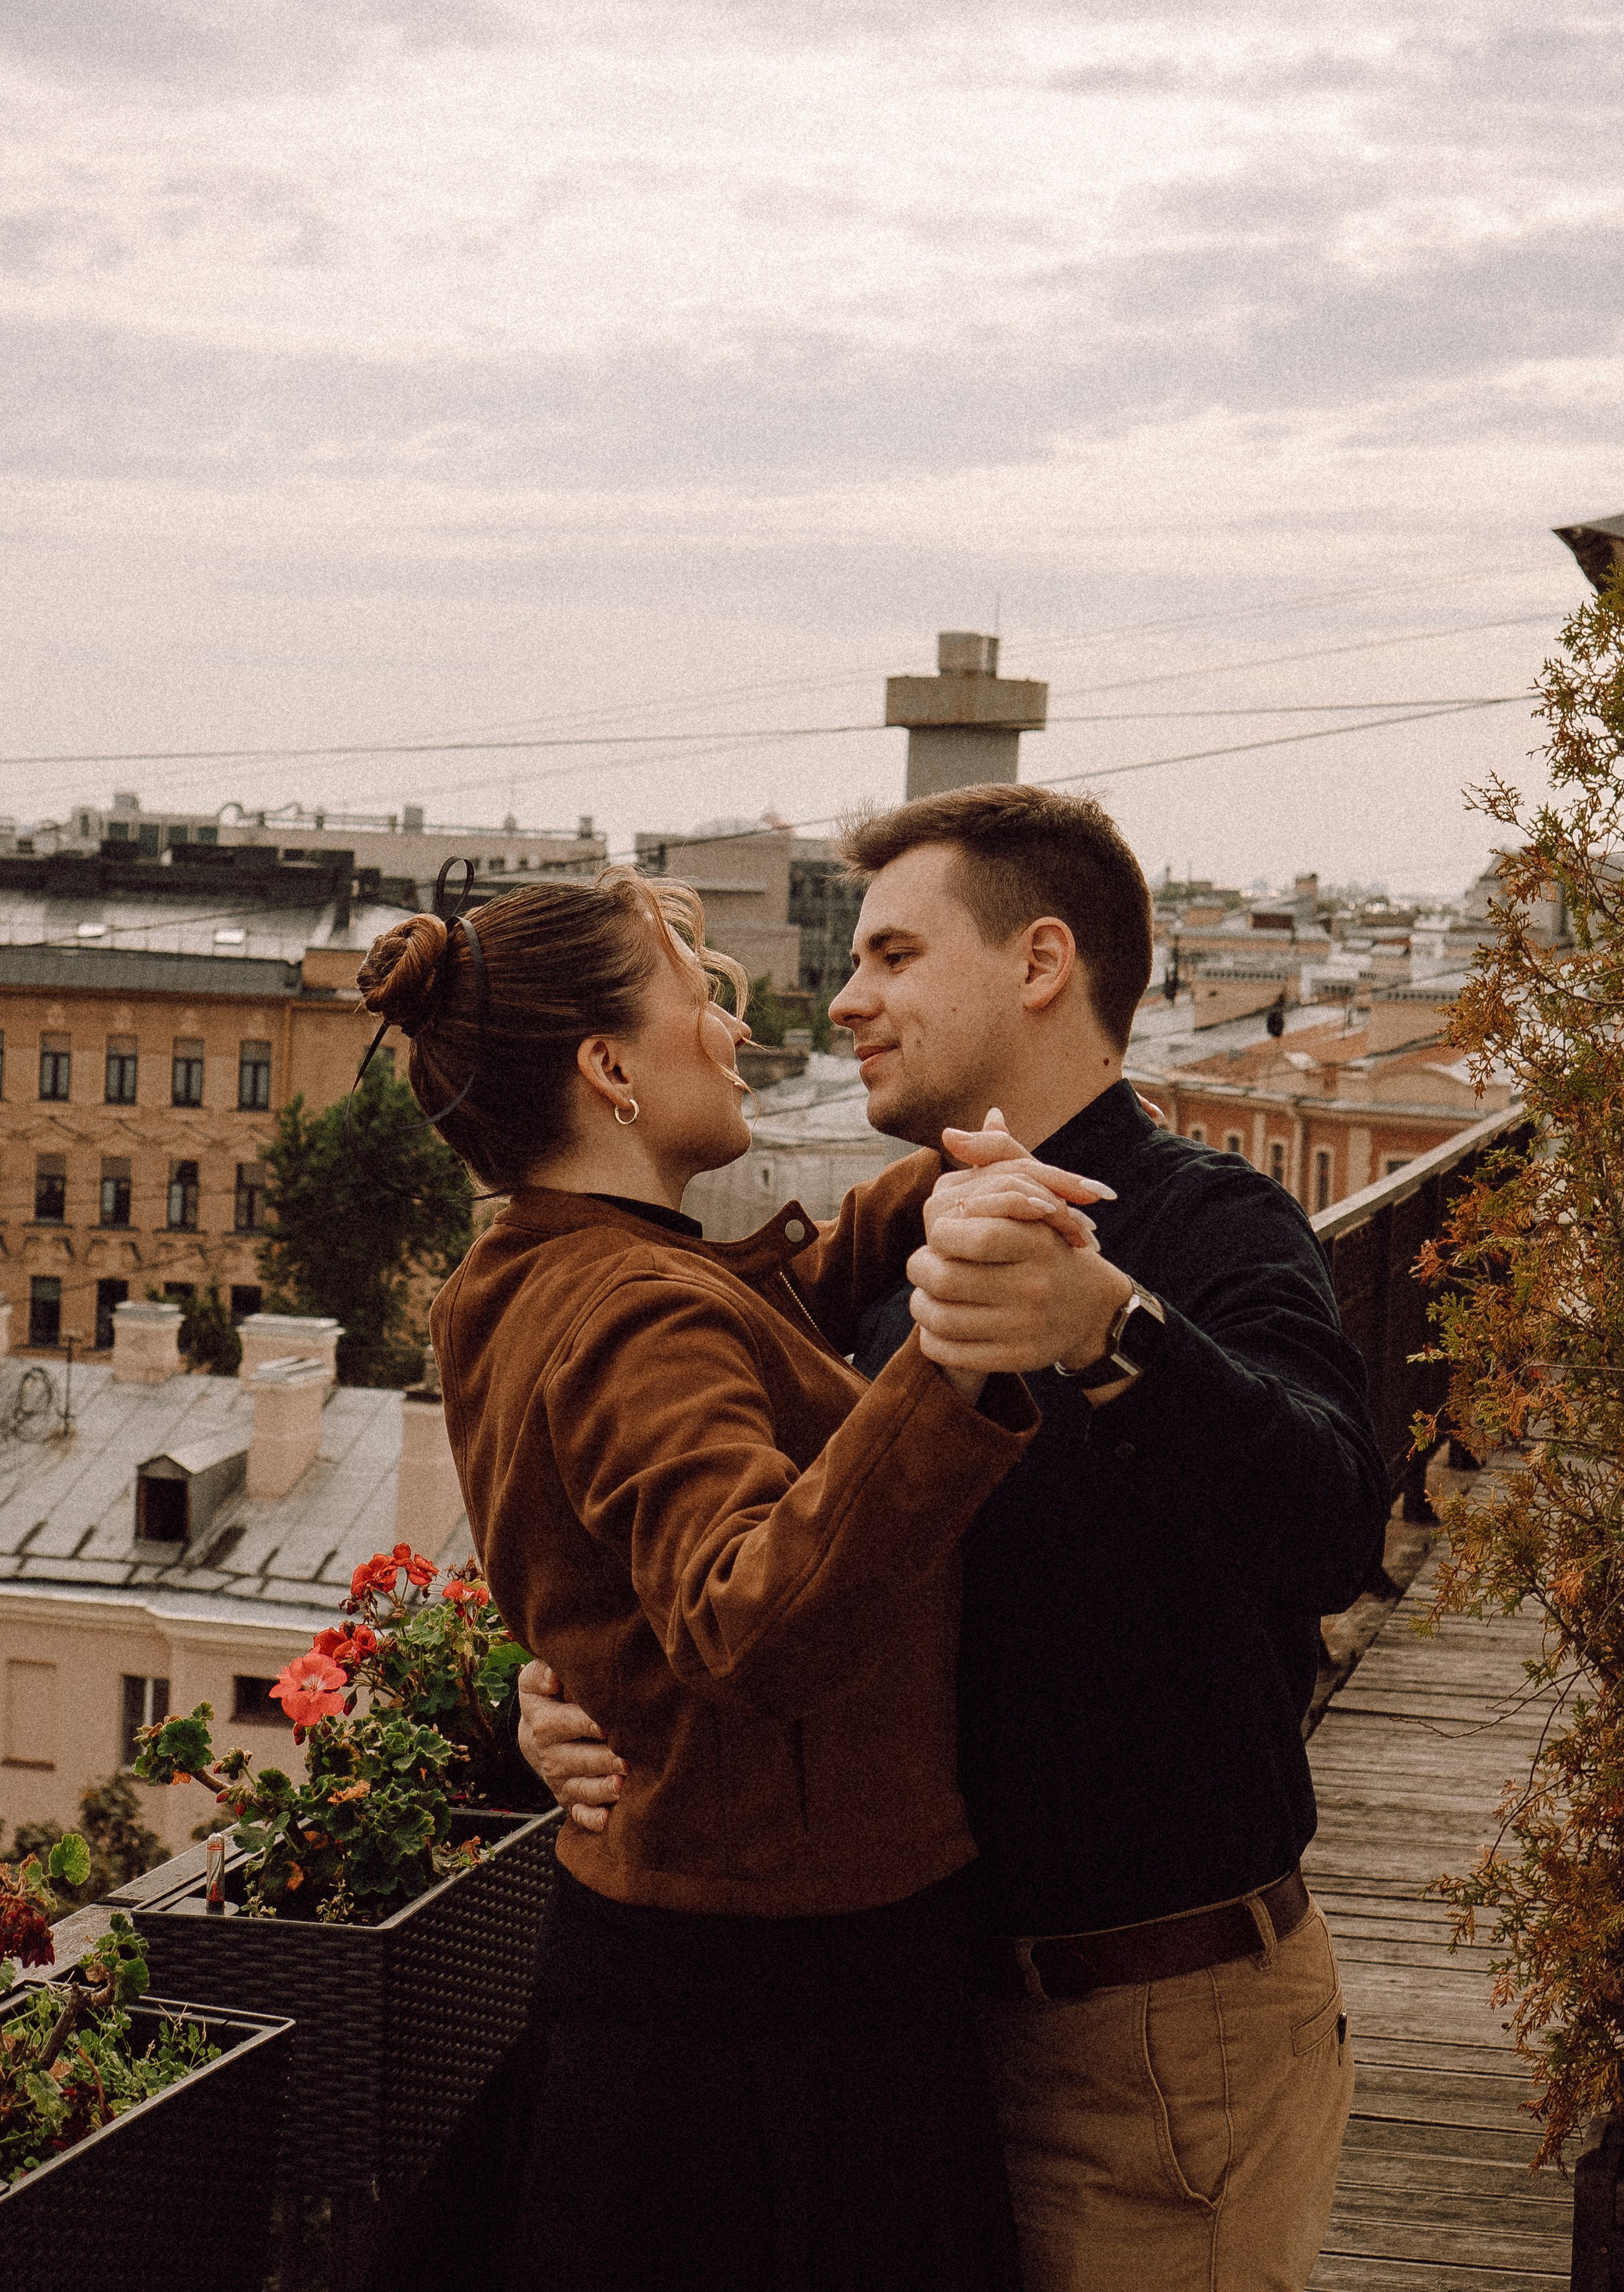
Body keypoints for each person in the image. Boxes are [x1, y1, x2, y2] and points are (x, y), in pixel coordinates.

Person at [521, 785, 1389, 2292]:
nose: (844, 1001)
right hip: (899, 2042)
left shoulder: (1205, 1224)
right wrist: (562, 1695)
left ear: (1039, 962)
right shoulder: (898, 1249)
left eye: (895, 956)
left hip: (1144, 2052)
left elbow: (1331, 1525)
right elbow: (763, 1571)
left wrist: (1110, 1330)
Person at [357, 864, 1111, 2292]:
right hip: (785, 2018)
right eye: (697, 996)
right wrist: (952, 1352)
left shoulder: (529, 1273)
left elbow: (750, 1342)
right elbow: (748, 1618)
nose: (737, 1026)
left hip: (665, 1974)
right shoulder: (639, 1310)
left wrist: (928, 1194)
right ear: (609, 1071)